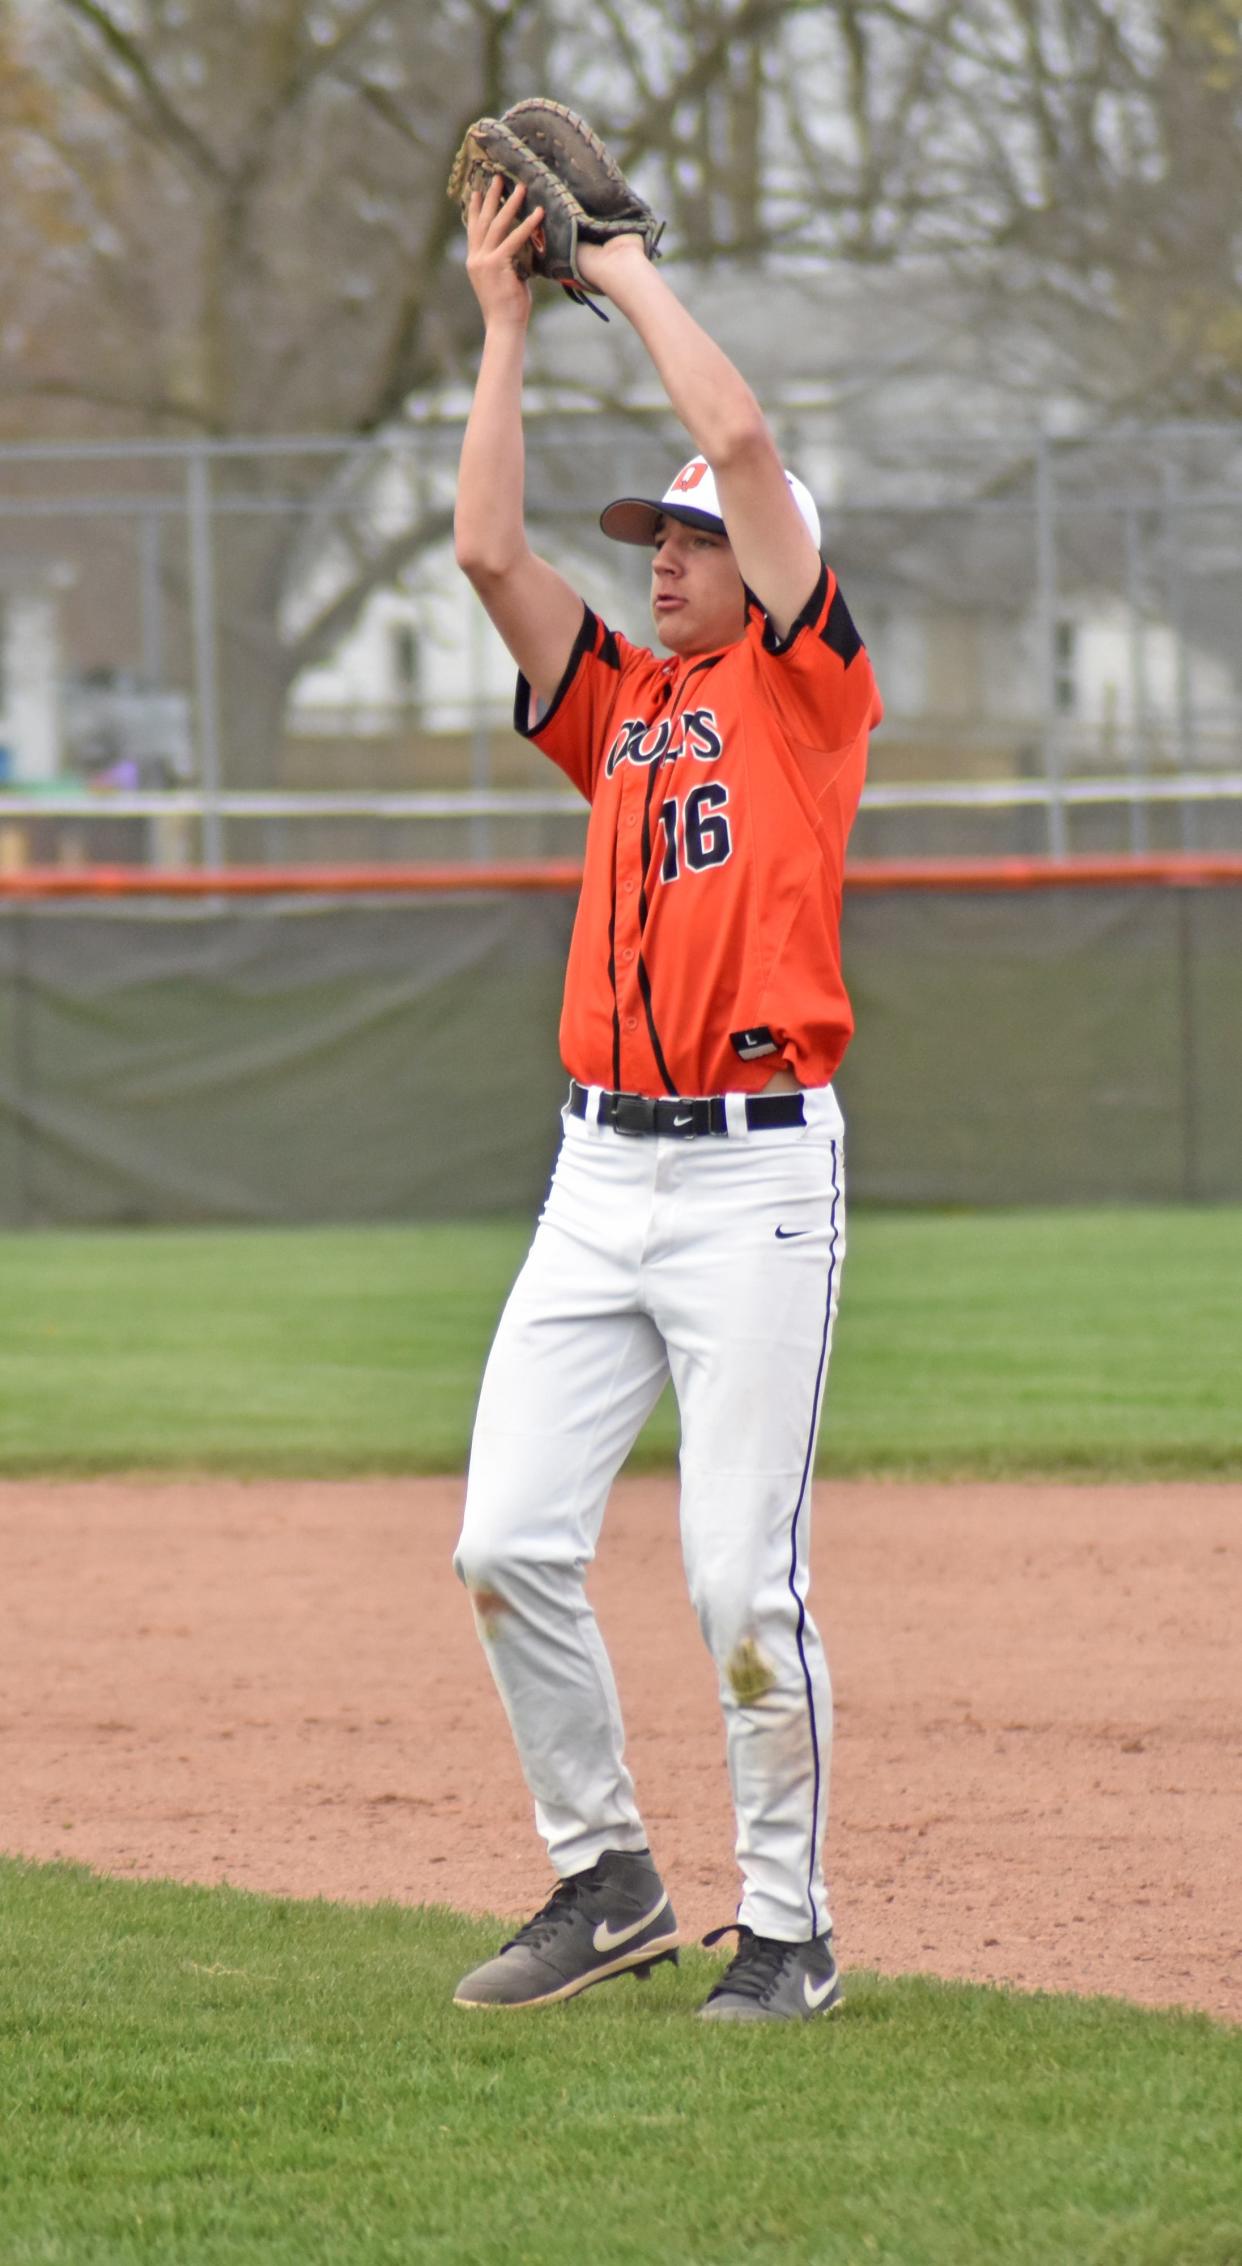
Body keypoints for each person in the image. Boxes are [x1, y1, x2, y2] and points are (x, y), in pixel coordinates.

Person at [450, 173, 882, 2022]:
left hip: (752, 1186)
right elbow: (486, 556)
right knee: (503, 1542)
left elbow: (738, 432)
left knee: (733, 1586)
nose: (657, 555)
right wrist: (505, 324)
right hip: (592, 1174)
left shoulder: (804, 691)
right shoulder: (624, 700)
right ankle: (606, 1872)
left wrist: (623, 273)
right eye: (652, 541)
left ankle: (787, 1933)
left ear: (761, 559)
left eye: (687, 542)